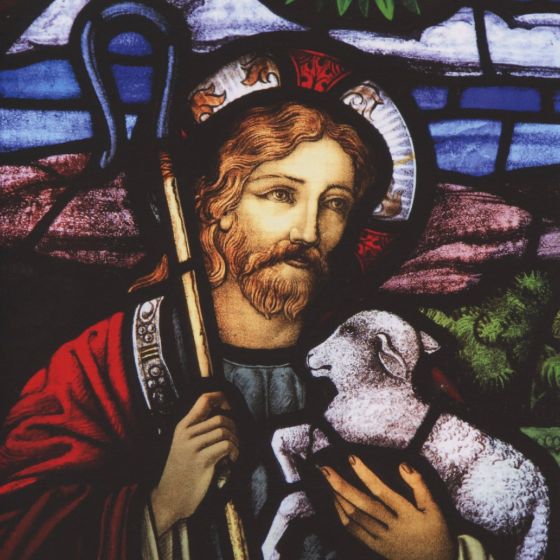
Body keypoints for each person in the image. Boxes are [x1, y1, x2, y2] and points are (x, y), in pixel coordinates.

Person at [0, 101, 491, 559]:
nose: (308, 230)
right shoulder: (104, 362)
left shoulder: (380, 360)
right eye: (281, 194)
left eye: (335, 203)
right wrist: (161, 503)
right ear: (219, 205)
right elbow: (19, 531)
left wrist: (440, 554)